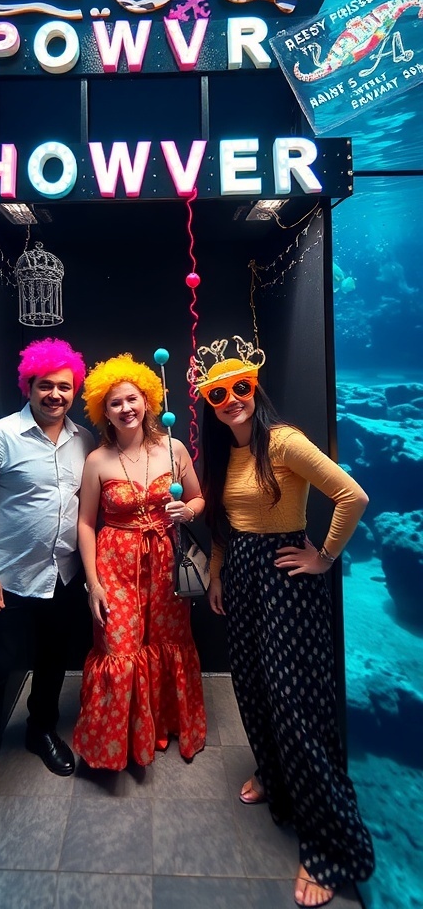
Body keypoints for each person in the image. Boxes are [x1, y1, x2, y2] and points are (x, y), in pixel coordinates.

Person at [192, 336, 375, 908]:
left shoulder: (285, 441)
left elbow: (352, 496)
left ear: (254, 387)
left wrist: (322, 555)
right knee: (253, 688)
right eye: (219, 394)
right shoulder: (225, 453)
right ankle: (274, 775)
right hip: (243, 576)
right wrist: (218, 575)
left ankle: (328, 846)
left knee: (293, 702)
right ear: (209, 402)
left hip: (284, 579)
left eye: (239, 388)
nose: (231, 400)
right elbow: (224, 526)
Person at [0, 338, 95, 862]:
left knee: (54, 665)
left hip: (62, 578)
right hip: (7, 583)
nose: (56, 394)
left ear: (74, 389)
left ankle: (40, 731)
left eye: (65, 386)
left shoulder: (84, 440)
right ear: (29, 386)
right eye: (46, 385)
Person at [72, 353, 207, 770]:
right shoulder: (97, 460)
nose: (126, 408)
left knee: (169, 642)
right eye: (115, 403)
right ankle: (120, 742)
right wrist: (93, 583)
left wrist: (189, 511)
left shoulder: (174, 448)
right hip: (115, 561)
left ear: (148, 400)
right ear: (103, 411)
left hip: (166, 561)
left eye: (132, 399)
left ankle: (165, 723)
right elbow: (85, 523)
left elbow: (199, 499)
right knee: (119, 646)